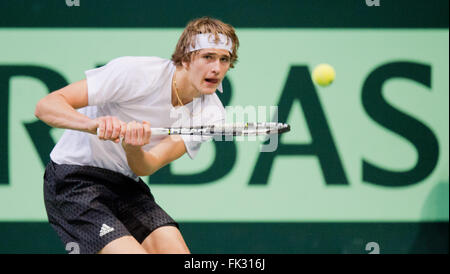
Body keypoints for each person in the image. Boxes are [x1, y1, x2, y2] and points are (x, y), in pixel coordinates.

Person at [34, 16, 239, 254]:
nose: (217, 68)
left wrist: (132, 147)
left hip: (126, 184)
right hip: (74, 179)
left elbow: (147, 166)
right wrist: (93, 124)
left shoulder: (211, 114)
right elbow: (46, 106)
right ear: (185, 58)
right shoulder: (137, 73)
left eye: (224, 59)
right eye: (208, 57)